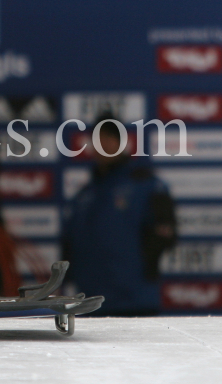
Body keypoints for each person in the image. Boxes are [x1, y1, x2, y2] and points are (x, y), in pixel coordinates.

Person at [61, 115, 178, 317]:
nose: (103, 144)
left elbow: (166, 233)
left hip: (136, 304)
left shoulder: (146, 186)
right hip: (90, 307)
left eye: (109, 138)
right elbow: (70, 247)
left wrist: (143, 271)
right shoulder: (83, 196)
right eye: (98, 139)